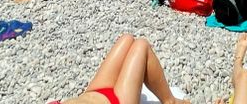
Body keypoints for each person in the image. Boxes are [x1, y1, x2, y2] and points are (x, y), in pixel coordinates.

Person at [51, 33, 190, 104]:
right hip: (116, 102)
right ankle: (170, 101)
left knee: (127, 39)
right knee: (142, 45)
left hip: (94, 93)